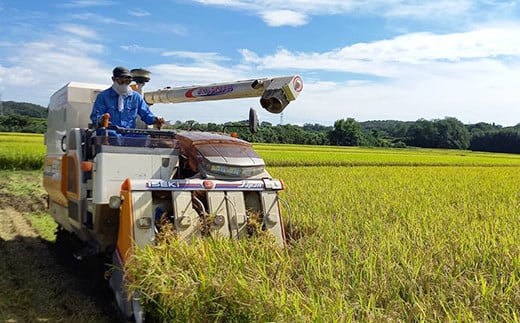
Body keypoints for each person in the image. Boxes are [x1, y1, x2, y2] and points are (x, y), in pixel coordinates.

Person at [90, 66, 164, 130]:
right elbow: (95, 117)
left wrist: (156, 120)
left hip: (130, 134)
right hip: (109, 134)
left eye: (128, 81)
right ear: (113, 79)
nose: (124, 84)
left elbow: (146, 114)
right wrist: (102, 120)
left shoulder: (136, 97)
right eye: (121, 81)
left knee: (143, 140)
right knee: (111, 134)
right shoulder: (103, 96)